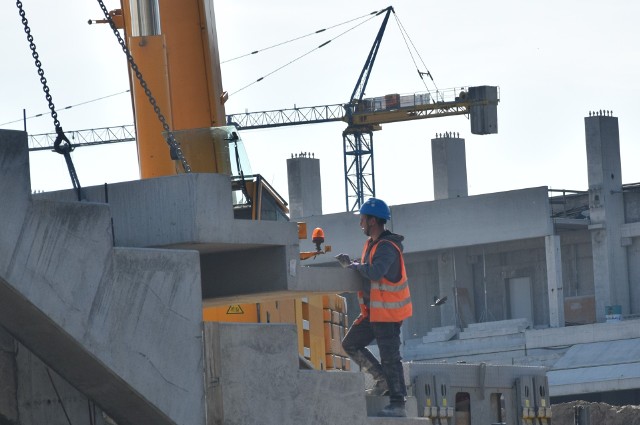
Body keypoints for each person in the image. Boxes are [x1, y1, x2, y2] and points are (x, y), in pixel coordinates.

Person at [341, 197, 412, 418]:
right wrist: (353, 264)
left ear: (372, 221)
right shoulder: (372, 245)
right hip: (374, 313)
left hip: (387, 315)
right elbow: (369, 270)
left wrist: (354, 265)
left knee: (390, 357)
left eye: (363, 218)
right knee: (350, 344)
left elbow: (375, 272)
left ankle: (398, 404)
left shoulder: (387, 247)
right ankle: (382, 380)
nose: (360, 222)